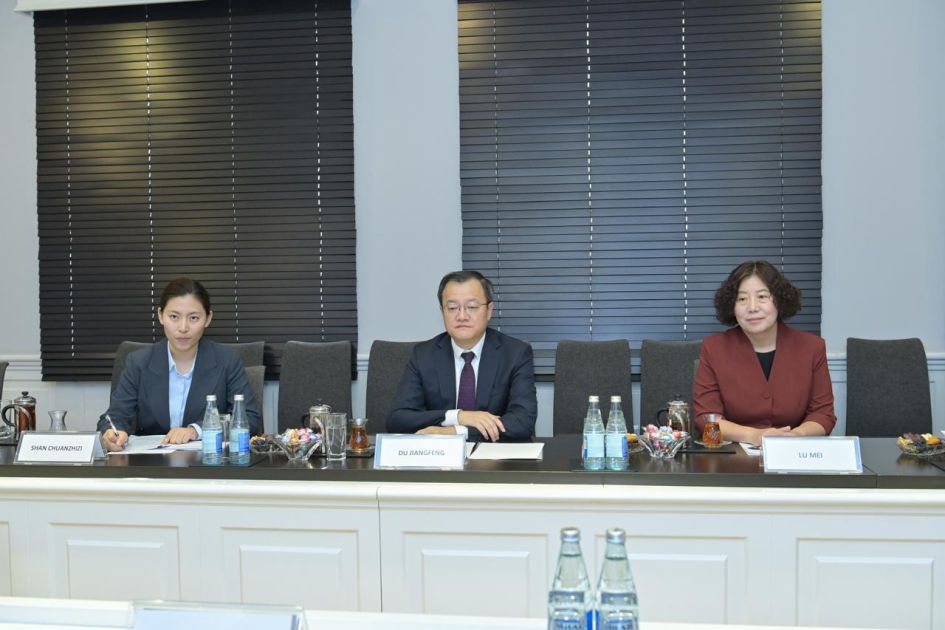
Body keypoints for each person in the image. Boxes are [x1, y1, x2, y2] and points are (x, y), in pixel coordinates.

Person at [98, 277, 263, 451]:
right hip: (150, 463)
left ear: (208, 318)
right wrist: (111, 433)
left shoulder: (227, 360)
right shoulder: (138, 362)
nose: (183, 327)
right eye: (174, 317)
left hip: (207, 463)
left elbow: (250, 420)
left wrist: (196, 430)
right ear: (160, 315)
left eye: (193, 318)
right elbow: (113, 418)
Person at [693, 260, 835, 446]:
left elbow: (823, 414)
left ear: (779, 300)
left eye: (762, 296)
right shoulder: (714, 347)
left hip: (793, 452)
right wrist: (755, 436)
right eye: (742, 299)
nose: (752, 307)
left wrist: (795, 436)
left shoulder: (811, 347)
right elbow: (705, 420)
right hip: (734, 456)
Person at [386, 270, 538, 442]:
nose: (462, 316)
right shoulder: (423, 355)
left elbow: (523, 421)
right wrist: (458, 416)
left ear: (489, 310)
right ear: (442, 311)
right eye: (452, 308)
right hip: (439, 456)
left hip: (494, 456)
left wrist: (458, 431)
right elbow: (397, 419)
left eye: (472, 307)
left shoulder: (516, 353)